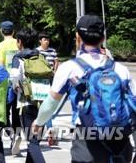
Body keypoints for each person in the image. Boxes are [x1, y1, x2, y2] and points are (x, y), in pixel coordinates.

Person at [33, 15, 135, 163]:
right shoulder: (120, 69)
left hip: (86, 144)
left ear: (78, 37)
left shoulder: (69, 68)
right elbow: (133, 108)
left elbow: (50, 104)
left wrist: (39, 123)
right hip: (120, 143)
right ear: (103, 37)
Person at [9, 28, 48, 163]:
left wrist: (16, 88)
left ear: (20, 42)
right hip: (43, 103)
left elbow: (14, 77)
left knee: (33, 143)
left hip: (26, 103)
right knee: (35, 139)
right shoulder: (41, 56)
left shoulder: (18, 57)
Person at [0, 20, 21, 154]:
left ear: (1, 31)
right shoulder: (19, 44)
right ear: (13, 31)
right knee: (17, 113)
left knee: (4, 113)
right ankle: (17, 136)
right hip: (20, 83)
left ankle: (11, 135)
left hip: (6, 84)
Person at [36, 32, 59, 146]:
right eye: (44, 39)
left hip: (49, 80)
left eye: (48, 40)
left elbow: (56, 61)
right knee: (44, 106)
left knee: (46, 105)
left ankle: (47, 130)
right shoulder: (36, 51)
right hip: (39, 81)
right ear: (40, 41)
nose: (47, 41)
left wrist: (55, 71)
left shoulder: (52, 51)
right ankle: (49, 130)